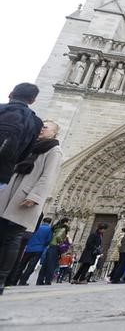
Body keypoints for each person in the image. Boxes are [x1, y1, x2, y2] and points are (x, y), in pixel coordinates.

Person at [0, 120, 62, 294]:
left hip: (25, 197)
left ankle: (2, 279)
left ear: (55, 133)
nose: (41, 128)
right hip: (9, 194)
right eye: (41, 126)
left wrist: (35, 196)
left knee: (13, 237)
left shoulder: (54, 150)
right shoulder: (31, 145)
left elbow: (48, 176)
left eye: (46, 127)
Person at [0, 83, 44, 190]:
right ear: (32, 101)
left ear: (11, 94)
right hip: (3, 173)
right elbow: (25, 153)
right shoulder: (36, 122)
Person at [16, 216, 53, 285]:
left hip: (28, 248)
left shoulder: (36, 227)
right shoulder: (49, 229)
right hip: (39, 249)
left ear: (43, 221)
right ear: (50, 223)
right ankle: (23, 281)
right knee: (31, 267)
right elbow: (48, 240)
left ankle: (15, 280)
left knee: (21, 265)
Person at [37, 218, 70, 285]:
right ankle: (48, 281)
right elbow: (58, 237)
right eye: (68, 222)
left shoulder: (55, 228)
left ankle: (39, 280)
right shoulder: (63, 229)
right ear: (65, 223)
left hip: (50, 246)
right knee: (51, 265)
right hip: (55, 247)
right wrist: (62, 242)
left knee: (45, 264)